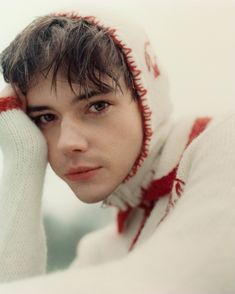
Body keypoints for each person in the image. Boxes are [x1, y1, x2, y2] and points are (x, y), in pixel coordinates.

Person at [0, 10, 235, 294]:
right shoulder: (103, 251)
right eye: (46, 118)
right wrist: (24, 158)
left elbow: (172, 282)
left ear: (146, 98)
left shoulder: (224, 144)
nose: (66, 143)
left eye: (97, 106)